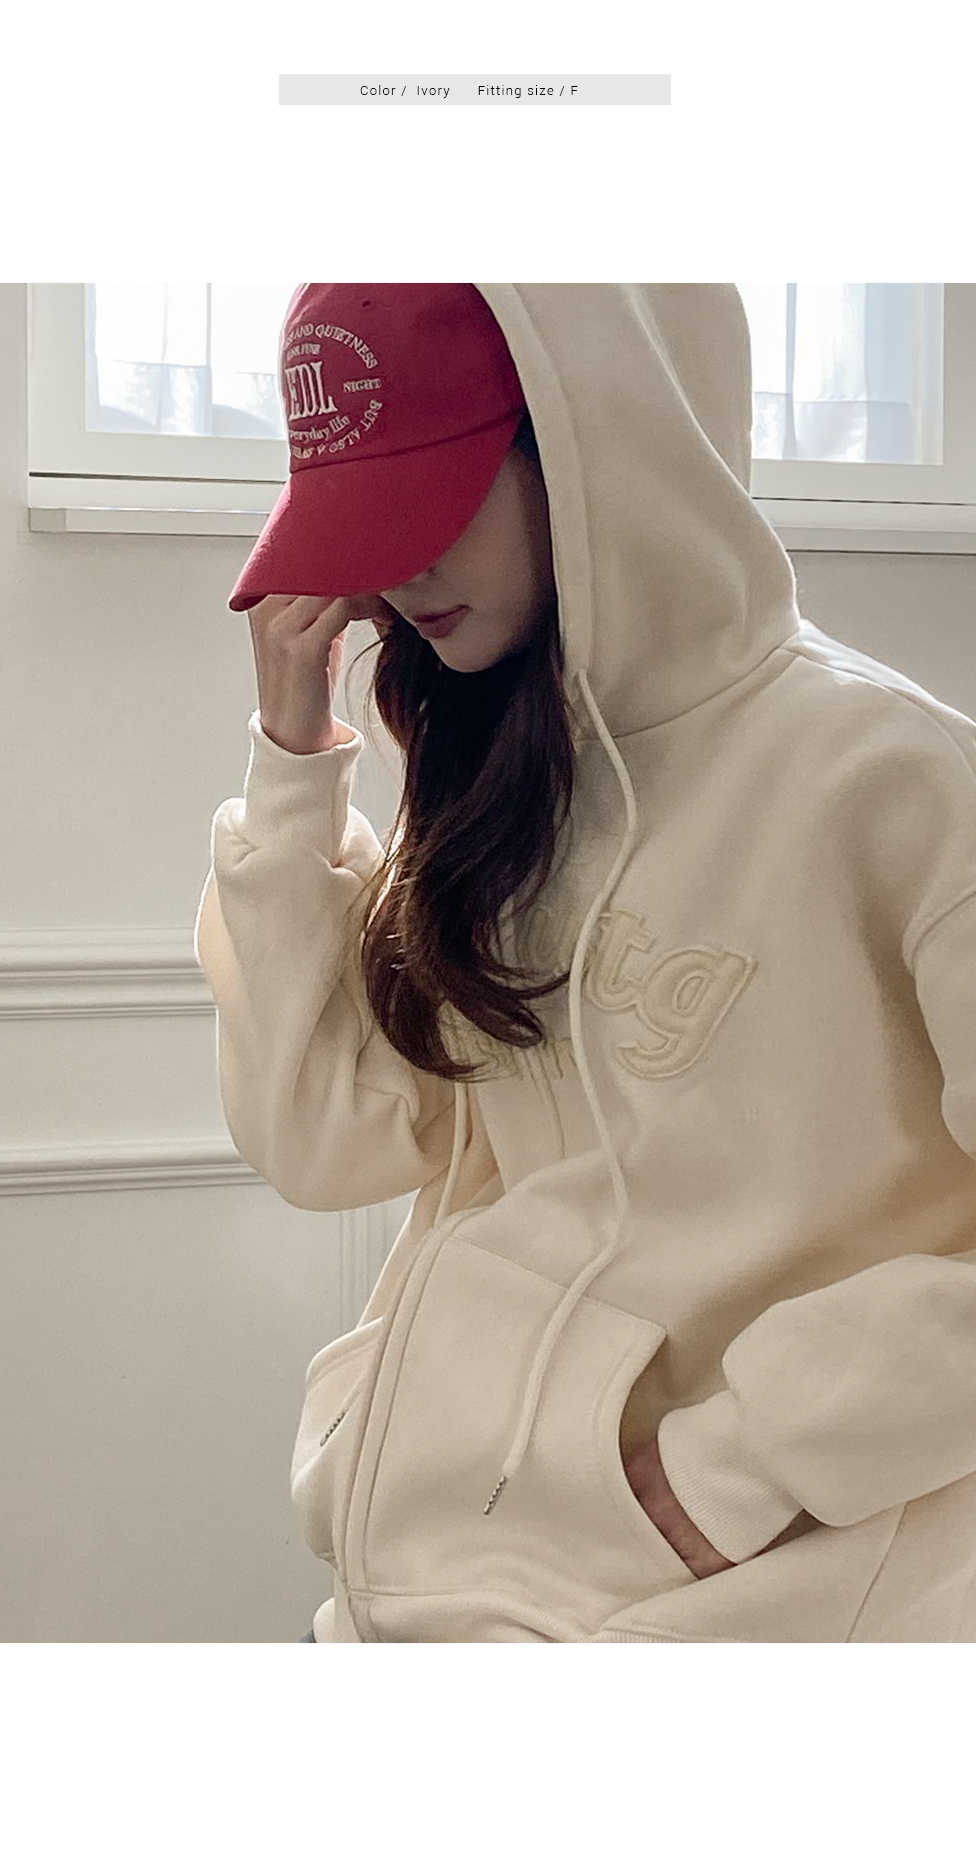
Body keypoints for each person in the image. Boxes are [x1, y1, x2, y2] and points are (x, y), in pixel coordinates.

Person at [195, 283, 976, 1644]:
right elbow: (321, 1142)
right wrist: (291, 771)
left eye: (437, 497)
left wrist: (759, 1456)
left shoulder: (896, 776)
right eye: (366, 521)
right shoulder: (505, 775)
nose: (398, 572)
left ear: (599, 442)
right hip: (454, 1571)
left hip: (768, 1581)